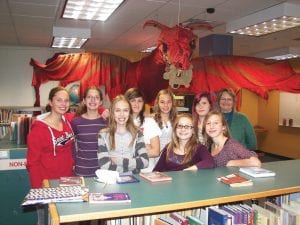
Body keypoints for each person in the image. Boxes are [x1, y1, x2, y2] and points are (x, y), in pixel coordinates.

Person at [26, 86, 74, 225]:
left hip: (67, 183)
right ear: (50, 102)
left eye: (66, 101)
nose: (63, 104)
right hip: (47, 186)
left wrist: (104, 111)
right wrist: (39, 191)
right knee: (46, 221)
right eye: (59, 100)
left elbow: (89, 110)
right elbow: (32, 163)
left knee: (65, 220)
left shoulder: (67, 120)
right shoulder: (38, 129)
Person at [97, 95, 149, 174]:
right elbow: (104, 165)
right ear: (112, 113)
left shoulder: (138, 134)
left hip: (133, 181)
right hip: (112, 183)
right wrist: (132, 167)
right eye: (118, 110)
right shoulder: (103, 135)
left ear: (129, 113)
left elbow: (145, 162)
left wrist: (117, 161)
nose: (122, 114)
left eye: (125, 110)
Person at [71, 86, 108, 177]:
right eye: (89, 97)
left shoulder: (106, 122)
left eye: (96, 97)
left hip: (103, 170)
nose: (92, 100)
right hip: (81, 170)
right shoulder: (76, 122)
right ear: (84, 100)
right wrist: (73, 163)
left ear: (100, 102)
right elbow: (71, 144)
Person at [124, 88, 161, 172]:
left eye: (140, 101)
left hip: (147, 172)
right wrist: (144, 148)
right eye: (132, 100)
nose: (136, 104)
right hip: (125, 171)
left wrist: (131, 151)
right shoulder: (120, 122)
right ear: (126, 102)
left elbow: (156, 152)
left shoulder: (150, 122)